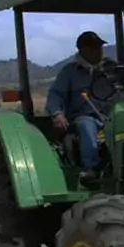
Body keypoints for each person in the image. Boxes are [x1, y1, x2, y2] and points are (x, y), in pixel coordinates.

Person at [46, 30, 116, 180]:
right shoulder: (70, 72)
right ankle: (92, 168)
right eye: (94, 47)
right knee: (86, 124)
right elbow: (55, 95)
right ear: (83, 50)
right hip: (84, 116)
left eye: (100, 46)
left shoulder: (111, 68)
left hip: (110, 115)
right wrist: (57, 114)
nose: (99, 50)